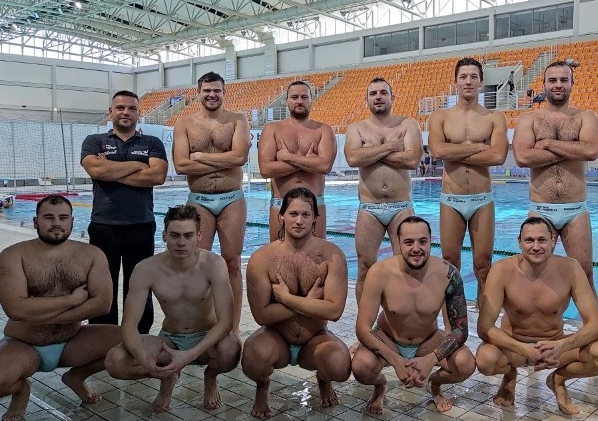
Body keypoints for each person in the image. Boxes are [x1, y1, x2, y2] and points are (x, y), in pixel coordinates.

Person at [0, 196, 121, 421]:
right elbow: (16, 310)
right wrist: (71, 301)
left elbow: (102, 304)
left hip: (73, 340)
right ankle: (21, 390)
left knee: (130, 342)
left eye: (63, 218)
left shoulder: (92, 255)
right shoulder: (14, 255)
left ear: (72, 221)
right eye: (48, 218)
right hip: (24, 344)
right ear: (35, 221)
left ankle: (76, 377)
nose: (56, 224)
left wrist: (41, 312)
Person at [105, 205, 241, 412]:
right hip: (171, 340)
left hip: (208, 336)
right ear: (164, 236)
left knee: (231, 350)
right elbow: (129, 325)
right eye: (175, 235)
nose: (181, 242)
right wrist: (146, 361)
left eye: (188, 235)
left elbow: (225, 322)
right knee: (115, 361)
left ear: (199, 236)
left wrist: (191, 354)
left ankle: (210, 376)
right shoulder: (146, 269)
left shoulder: (213, 264)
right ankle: (168, 376)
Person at [476, 217, 598, 415]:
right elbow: (484, 326)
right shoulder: (502, 270)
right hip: (515, 347)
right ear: (519, 242)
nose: (536, 246)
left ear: (553, 242)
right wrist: (525, 350)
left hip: (555, 346)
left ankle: (558, 380)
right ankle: (509, 375)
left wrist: (561, 346)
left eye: (542, 240)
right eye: (529, 240)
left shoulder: (570, 268)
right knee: (486, 360)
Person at [241, 188, 350, 417]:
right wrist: (309, 302)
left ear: (315, 219)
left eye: (306, 215)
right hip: (275, 337)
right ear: (281, 216)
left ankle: (324, 379)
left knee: (339, 365)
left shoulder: (332, 255)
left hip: (315, 338)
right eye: (293, 214)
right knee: (253, 358)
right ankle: (262, 387)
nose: (299, 221)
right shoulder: (262, 258)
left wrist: (287, 298)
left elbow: (334, 310)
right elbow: (261, 315)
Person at [353, 216, 475, 414]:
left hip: (428, 340)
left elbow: (460, 330)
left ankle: (434, 384)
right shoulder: (379, 273)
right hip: (389, 338)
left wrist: (431, 360)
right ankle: (380, 385)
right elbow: (362, 328)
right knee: (361, 367)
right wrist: (395, 360)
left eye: (422, 241)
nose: (416, 248)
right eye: (409, 242)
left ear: (430, 241)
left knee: (465, 364)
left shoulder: (448, 274)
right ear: (398, 244)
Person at [81, 90, 168, 333]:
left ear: (139, 114)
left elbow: (157, 176)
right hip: (103, 225)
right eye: (120, 108)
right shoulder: (94, 140)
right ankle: (102, 337)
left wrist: (110, 168)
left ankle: (138, 336)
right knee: (102, 286)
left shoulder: (152, 143)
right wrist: (137, 166)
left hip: (141, 225)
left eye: (131, 108)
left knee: (139, 286)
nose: (125, 112)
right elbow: (96, 172)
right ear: (111, 112)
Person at [512, 60, 598, 291]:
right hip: (540, 208)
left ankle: (592, 327)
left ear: (572, 83)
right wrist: (573, 149)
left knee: (584, 274)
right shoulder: (529, 119)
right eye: (552, 80)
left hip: (576, 210)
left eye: (564, 80)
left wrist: (548, 143)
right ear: (544, 84)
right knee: (532, 275)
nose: (558, 85)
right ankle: (537, 327)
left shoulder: (586, 116)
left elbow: (591, 151)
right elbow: (522, 157)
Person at [173, 72, 250, 335]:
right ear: (198, 92)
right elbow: (181, 165)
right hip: (199, 201)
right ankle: (202, 326)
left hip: (232, 200)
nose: (212, 95)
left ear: (224, 92)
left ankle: (234, 328)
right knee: (197, 264)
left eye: (216, 90)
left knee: (233, 264)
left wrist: (201, 156)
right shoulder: (184, 123)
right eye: (207, 90)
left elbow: (239, 157)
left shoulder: (237, 120)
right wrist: (224, 158)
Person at [429, 57, 508, 305]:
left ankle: (484, 331)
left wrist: (455, 151)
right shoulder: (440, 116)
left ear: (481, 82)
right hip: (451, 199)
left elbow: (498, 156)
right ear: (455, 82)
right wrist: (477, 148)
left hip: (481, 200)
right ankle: (454, 330)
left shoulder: (495, 117)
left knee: (483, 266)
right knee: (449, 264)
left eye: (474, 76)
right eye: (463, 77)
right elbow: (437, 152)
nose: (468, 81)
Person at [344, 77, 423, 301]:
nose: (378, 96)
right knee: (365, 268)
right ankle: (364, 328)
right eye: (373, 93)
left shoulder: (408, 124)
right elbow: (352, 158)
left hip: (402, 207)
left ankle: (402, 326)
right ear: (366, 100)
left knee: (406, 267)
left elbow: (413, 160)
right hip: (370, 208)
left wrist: (371, 152)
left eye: (383, 92)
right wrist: (390, 146)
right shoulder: (356, 128)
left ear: (392, 97)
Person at [258, 81, 337, 241]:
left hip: (314, 203)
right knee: (278, 258)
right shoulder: (272, 129)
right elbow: (266, 170)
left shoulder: (324, 130)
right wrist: (308, 162)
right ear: (287, 100)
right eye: (294, 97)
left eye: (304, 97)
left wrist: (289, 157)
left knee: (315, 259)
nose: (299, 101)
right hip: (281, 203)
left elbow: (325, 166)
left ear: (310, 100)